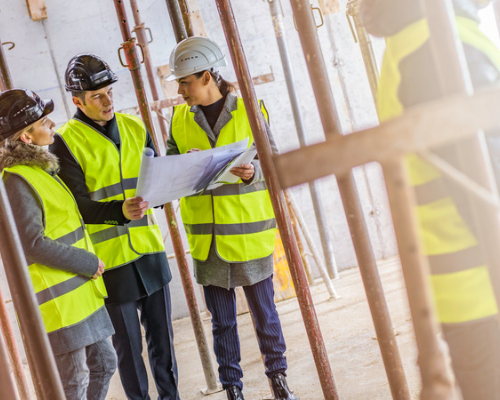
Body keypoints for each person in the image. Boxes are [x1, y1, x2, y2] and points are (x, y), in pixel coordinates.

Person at [360, 0, 500, 398]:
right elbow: (486, 177)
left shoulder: (413, 43)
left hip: (467, 292)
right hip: (485, 285)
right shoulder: (438, 47)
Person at [165, 36, 298, 400]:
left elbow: (272, 162)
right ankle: (233, 389)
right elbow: (169, 170)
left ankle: (279, 380)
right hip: (208, 242)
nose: (180, 90)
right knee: (222, 323)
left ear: (207, 76)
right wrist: (187, 166)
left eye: (185, 81)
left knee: (265, 315)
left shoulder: (249, 108)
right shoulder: (178, 118)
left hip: (246, 235)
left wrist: (252, 172)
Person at [49, 54, 179, 400]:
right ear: (77, 101)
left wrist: (176, 177)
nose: (108, 102)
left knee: (164, 349)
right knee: (128, 353)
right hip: (109, 264)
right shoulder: (63, 142)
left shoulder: (135, 127)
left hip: (149, 253)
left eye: (109, 92)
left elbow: (158, 185)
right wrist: (120, 211)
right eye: (97, 97)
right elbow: (76, 205)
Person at [0, 89, 117, 400]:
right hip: (59, 304)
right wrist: (87, 262)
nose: (52, 126)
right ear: (26, 137)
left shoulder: (40, 171)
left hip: (81, 295)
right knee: (72, 384)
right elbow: (31, 243)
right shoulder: (16, 181)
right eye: (44, 122)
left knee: (105, 363)